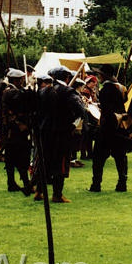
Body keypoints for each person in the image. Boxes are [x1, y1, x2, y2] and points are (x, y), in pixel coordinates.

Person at [36, 66, 85, 203]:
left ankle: (39, 191)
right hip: (62, 133)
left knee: (45, 161)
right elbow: (81, 111)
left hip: (45, 132)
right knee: (61, 163)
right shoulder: (69, 92)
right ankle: (57, 195)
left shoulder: (44, 91)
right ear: (67, 78)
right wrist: (73, 126)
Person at [89, 64, 129, 192]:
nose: (98, 76)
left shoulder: (106, 89)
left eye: (100, 74)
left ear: (104, 75)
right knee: (120, 158)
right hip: (118, 128)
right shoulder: (120, 88)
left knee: (98, 159)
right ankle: (122, 184)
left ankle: (96, 185)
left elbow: (107, 111)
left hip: (107, 129)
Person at [1, 69, 33, 195]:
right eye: (20, 79)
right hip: (16, 128)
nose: (22, 81)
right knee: (21, 156)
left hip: (12, 128)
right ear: (15, 80)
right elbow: (21, 104)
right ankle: (25, 183)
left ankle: (12, 182)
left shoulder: (11, 91)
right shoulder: (12, 92)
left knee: (12, 157)